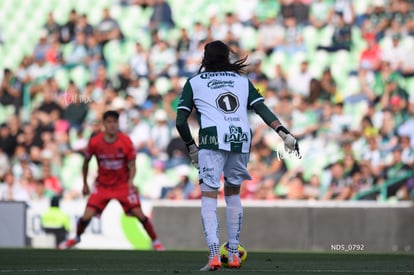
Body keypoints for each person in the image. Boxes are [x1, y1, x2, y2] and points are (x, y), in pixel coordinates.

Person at [175, 40, 300, 271]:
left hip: (212, 139)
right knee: (233, 194)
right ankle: (232, 253)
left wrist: (192, 148)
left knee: (209, 196)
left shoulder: (194, 82)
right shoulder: (242, 81)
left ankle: (214, 255)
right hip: (241, 138)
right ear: (228, 57)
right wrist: (284, 134)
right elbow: (262, 109)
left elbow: (180, 121)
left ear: (205, 58)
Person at [58, 110, 164, 250]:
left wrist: (131, 180)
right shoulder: (95, 142)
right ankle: (76, 238)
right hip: (102, 186)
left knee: (139, 214)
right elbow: (86, 162)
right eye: (109, 122)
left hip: (122, 186)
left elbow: (132, 164)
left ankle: (156, 241)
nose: (112, 125)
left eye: (114, 122)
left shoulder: (125, 141)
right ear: (104, 124)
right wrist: (84, 184)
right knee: (86, 216)